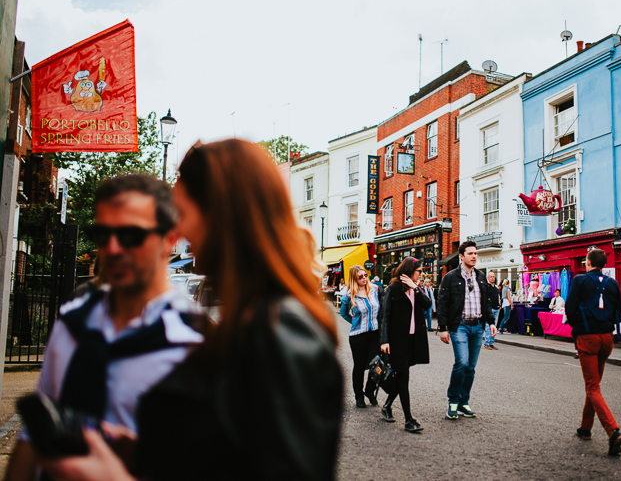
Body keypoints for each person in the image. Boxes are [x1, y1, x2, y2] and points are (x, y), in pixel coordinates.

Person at [40, 139, 343, 481]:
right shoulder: (253, 320)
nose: (178, 230)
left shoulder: (284, 331)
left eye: (183, 214)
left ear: (223, 213)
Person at [7, 175, 204, 481]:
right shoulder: (72, 324)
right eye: (103, 234)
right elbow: (35, 436)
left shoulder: (195, 345)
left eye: (130, 235)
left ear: (168, 239)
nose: (112, 249)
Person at [565, 249, 621, 456]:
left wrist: (578, 328)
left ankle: (613, 430)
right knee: (594, 385)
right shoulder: (614, 283)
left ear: (588, 263)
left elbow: (569, 309)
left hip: (587, 338)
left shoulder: (580, 280)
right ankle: (585, 429)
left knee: (592, 387)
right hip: (607, 339)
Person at [437, 240, 497, 420]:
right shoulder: (451, 277)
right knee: (461, 363)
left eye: (476, 253)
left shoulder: (480, 277)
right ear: (461, 256)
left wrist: (491, 322)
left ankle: (463, 402)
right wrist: (442, 328)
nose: (474, 256)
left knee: (470, 367)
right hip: (460, 326)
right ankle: (453, 402)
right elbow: (443, 304)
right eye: (470, 254)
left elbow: (486, 303)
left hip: (478, 326)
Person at [379, 257, 430, 433]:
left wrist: (415, 288)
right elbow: (384, 316)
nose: (421, 274)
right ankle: (409, 419)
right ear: (409, 271)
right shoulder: (393, 289)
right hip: (396, 340)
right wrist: (384, 340)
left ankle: (386, 406)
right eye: (419, 272)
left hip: (412, 340)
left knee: (401, 376)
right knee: (404, 377)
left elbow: (428, 304)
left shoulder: (416, 290)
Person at [340, 265, 381, 407]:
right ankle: (359, 396)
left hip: (375, 333)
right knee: (359, 366)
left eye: (365, 275)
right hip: (358, 335)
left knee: (376, 365)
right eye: (360, 276)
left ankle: (369, 390)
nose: (364, 278)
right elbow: (344, 313)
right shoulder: (349, 296)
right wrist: (355, 322)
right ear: (354, 279)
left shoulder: (374, 290)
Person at [482, 272, 500, 350]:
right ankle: (487, 343)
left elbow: (498, 297)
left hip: (497, 308)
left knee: (494, 326)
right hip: (490, 309)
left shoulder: (495, 288)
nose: (492, 278)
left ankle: (491, 343)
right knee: (488, 326)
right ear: (488, 278)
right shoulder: (486, 287)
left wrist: (499, 304)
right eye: (491, 277)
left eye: (493, 276)